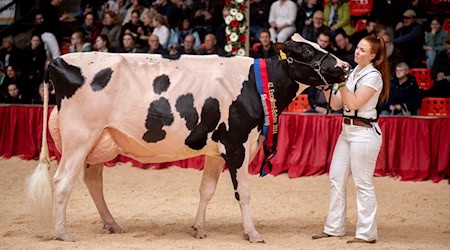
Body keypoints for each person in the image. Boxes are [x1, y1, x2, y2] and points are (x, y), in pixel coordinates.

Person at [312, 34, 390, 244]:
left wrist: (341, 82)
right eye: (357, 48)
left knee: (362, 183)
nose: (357, 51)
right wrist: (327, 88)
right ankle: (334, 227)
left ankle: (366, 233)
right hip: (346, 131)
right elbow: (338, 105)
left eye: (363, 50)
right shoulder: (354, 72)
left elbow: (354, 103)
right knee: (336, 178)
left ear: (373, 56)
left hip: (364, 133)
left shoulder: (373, 76)